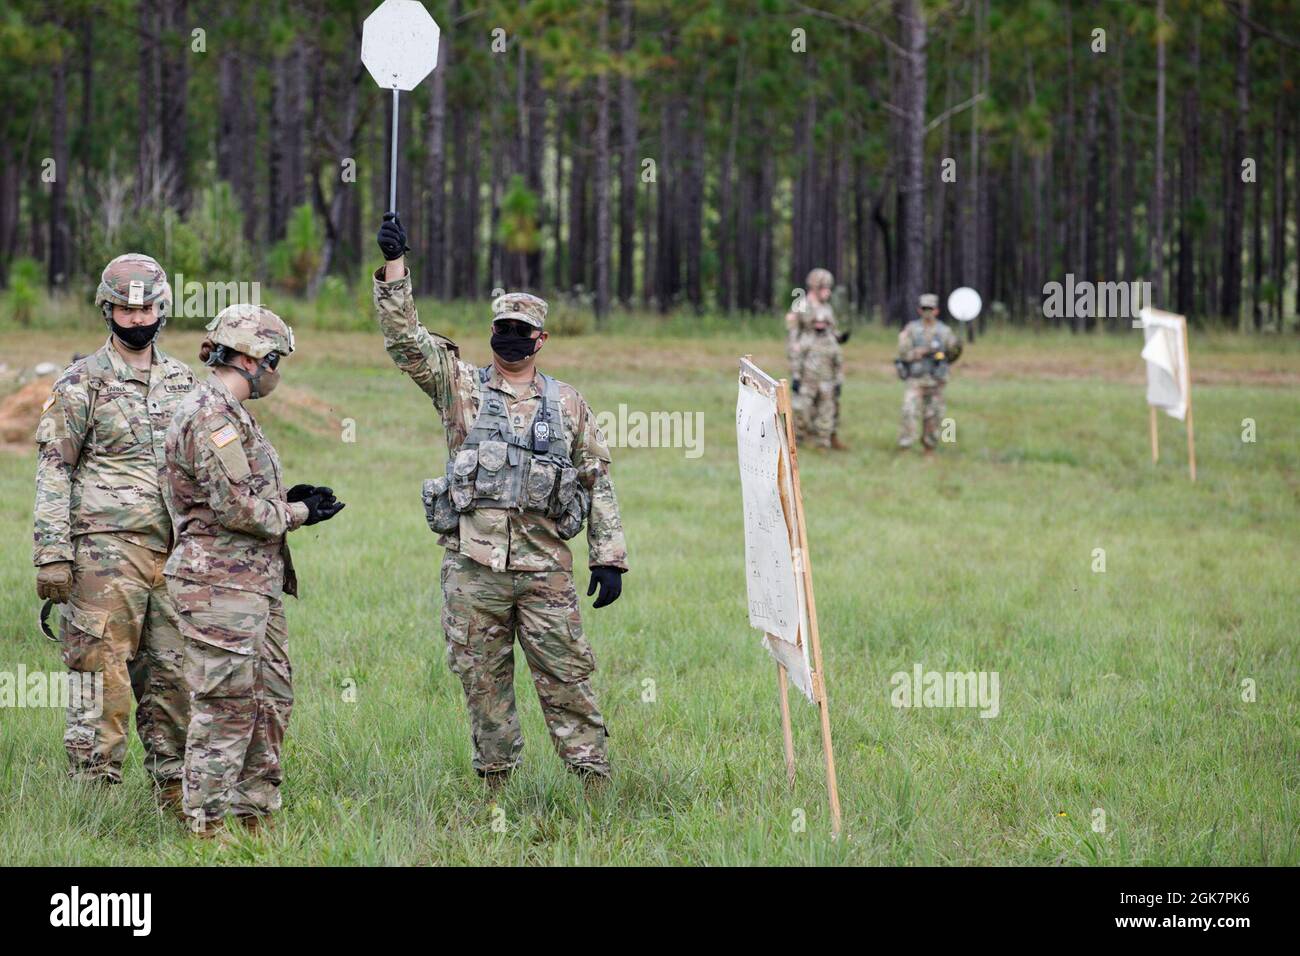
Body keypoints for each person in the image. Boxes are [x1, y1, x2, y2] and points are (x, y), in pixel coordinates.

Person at [373, 212, 628, 790]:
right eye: (501, 327)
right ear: (491, 332)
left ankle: (594, 785)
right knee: (482, 683)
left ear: (541, 339)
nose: (509, 337)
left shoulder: (568, 405)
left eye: (521, 329)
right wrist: (394, 269)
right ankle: (496, 788)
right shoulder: (458, 386)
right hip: (473, 571)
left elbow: (598, 479)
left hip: (545, 572)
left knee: (568, 680)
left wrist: (608, 556)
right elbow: (405, 341)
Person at [162, 304, 345, 836]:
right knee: (225, 708)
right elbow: (236, 510)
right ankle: (207, 825)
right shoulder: (211, 415)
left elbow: (234, 493)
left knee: (269, 699)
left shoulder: (232, 413)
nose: (277, 371)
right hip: (219, 587)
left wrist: (286, 497)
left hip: (252, 584)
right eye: (275, 359)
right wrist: (299, 513)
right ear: (251, 357)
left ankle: (254, 815)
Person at [33, 254, 194, 804]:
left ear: (162, 308)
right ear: (107, 310)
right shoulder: (80, 383)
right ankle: (91, 800)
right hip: (104, 555)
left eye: (146, 307)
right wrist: (51, 553)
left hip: (173, 558)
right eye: (125, 309)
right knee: (100, 677)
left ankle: (175, 793)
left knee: (175, 678)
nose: (136, 317)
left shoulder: (184, 383)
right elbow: (55, 468)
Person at [786, 268, 849, 450]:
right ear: (815, 287)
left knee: (829, 403)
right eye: (825, 288)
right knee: (803, 404)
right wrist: (795, 365)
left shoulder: (827, 307)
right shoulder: (801, 305)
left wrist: (839, 337)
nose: (828, 292)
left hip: (827, 361)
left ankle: (828, 437)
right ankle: (800, 437)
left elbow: (831, 330)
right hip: (807, 362)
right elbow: (792, 335)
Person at [897, 293, 962, 454]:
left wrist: (956, 348)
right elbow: (903, 353)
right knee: (909, 411)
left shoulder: (945, 331)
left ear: (936, 310)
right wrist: (919, 353)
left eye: (930, 309)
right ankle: (905, 446)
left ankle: (929, 447)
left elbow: (950, 356)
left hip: (936, 380)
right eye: (925, 309)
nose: (928, 312)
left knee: (934, 415)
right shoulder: (911, 329)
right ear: (919, 310)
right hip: (916, 379)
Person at [791, 307, 844, 450]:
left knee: (826, 413)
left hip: (827, 383)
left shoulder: (832, 342)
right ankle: (799, 438)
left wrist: (839, 382)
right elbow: (798, 359)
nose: (820, 325)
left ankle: (823, 443)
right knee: (801, 410)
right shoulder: (807, 339)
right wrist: (796, 377)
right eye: (817, 322)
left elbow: (838, 363)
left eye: (823, 323)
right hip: (808, 382)